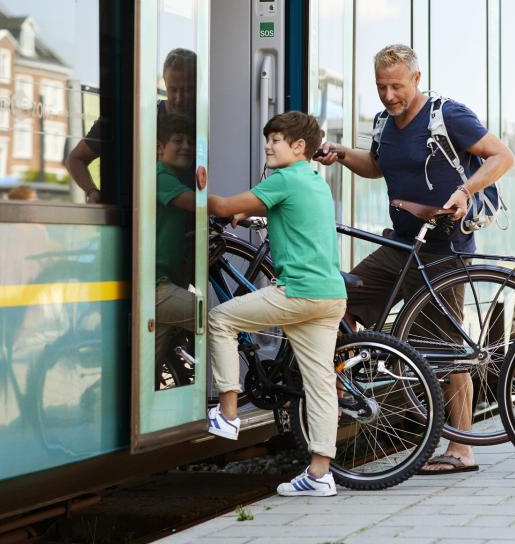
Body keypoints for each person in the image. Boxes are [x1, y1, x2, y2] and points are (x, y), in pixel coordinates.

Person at [316, 44, 515, 475]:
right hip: (401, 246)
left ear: (416, 80)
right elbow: (375, 165)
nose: (389, 95)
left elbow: (502, 156)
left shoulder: (448, 115)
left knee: (444, 353)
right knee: (334, 305)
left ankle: (461, 449)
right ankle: (332, 407)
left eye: (397, 86)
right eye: (381, 87)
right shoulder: (384, 123)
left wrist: (464, 192)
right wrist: (340, 154)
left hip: (444, 251)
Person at [207, 111, 346, 497]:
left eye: (275, 140)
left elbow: (220, 205)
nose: (267, 146)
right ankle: (320, 475)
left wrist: (188, 196)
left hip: (298, 292)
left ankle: (228, 413)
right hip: (330, 296)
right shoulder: (313, 181)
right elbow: (277, 207)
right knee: (319, 382)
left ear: (299, 146)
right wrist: (247, 210)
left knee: (221, 319)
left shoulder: (283, 179)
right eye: (267, 139)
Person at [65, 48, 197, 202]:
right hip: (136, 220)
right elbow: (75, 159)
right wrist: (92, 192)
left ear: (198, 87)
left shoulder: (207, 123)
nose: (179, 98)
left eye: (187, 90)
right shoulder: (131, 119)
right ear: (165, 84)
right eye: (173, 90)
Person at [154, 113, 196, 389]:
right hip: (156, 288)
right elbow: (201, 204)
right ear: (159, 148)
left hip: (162, 285)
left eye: (191, 142)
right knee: (218, 320)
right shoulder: (161, 177)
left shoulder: (171, 177)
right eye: (177, 141)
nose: (186, 146)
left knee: (148, 365)